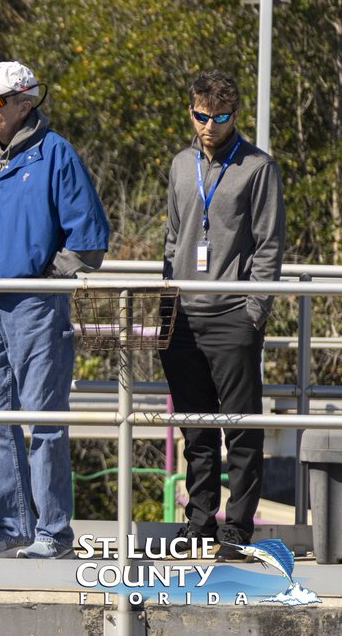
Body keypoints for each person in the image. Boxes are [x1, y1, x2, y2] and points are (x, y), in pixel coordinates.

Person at [0, 60, 109, 559]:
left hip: (36, 306)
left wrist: (45, 282)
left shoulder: (56, 153)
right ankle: (12, 527)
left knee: (44, 419)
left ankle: (55, 533)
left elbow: (90, 243)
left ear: (24, 104)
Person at [159, 70, 284, 562]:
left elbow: (270, 246)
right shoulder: (179, 164)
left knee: (241, 428)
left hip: (234, 315)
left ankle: (238, 527)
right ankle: (199, 520)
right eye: (201, 115)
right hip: (183, 317)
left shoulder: (257, 167)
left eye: (221, 116)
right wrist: (167, 301)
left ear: (236, 116)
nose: (210, 125)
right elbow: (171, 238)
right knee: (196, 428)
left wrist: (255, 313)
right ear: (191, 111)